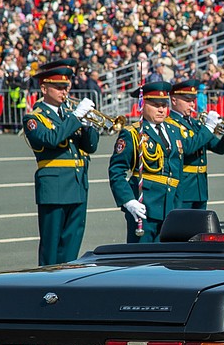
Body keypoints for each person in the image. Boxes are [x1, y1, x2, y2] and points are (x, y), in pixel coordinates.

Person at [24, 59, 100, 265]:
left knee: (71, 246)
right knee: (51, 247)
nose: (64, 91)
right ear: (44, 88)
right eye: (58, 87)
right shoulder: (34, 118)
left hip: (77, 186)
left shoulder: (69, 115)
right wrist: (75, 117)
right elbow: (51, 139)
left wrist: (86, 126)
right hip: (54, 187)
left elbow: (91, 147)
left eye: (66, 87)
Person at [108, 82, 187, 243]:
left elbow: (178, 170)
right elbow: (116, 170)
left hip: (171, 206)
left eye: (164, 105)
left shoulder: (174, 131)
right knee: (141, 259)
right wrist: (128, 200)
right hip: (145, 206)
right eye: (156, 105)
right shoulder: (133, 133)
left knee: (167, 260)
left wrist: (179, 205)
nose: (161, 109)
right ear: (142, 105)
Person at [169, 79, 224, 210]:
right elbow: (187, 147)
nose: (191, 104)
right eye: (187, 100)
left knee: (199, 227)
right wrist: (209, 127)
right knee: (182, 228)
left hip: (200, 186)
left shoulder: (196, 124)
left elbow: (218, 148)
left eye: (193, 100)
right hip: (183, 185)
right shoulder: (170, 124)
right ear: (174, 100)